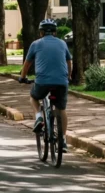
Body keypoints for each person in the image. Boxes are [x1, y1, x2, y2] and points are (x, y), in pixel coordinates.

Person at [19, 18, 73, 149]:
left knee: (33, 97)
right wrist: (69, 76)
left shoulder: (35, 44)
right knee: (62, 109)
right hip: (61, 81)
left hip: (42, 81)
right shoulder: (62, 43)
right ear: (55, 32)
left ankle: (39, 117)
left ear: (41, 32)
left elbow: (27, 64)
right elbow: (69, 62)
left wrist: (23, 77)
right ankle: (63, 140)